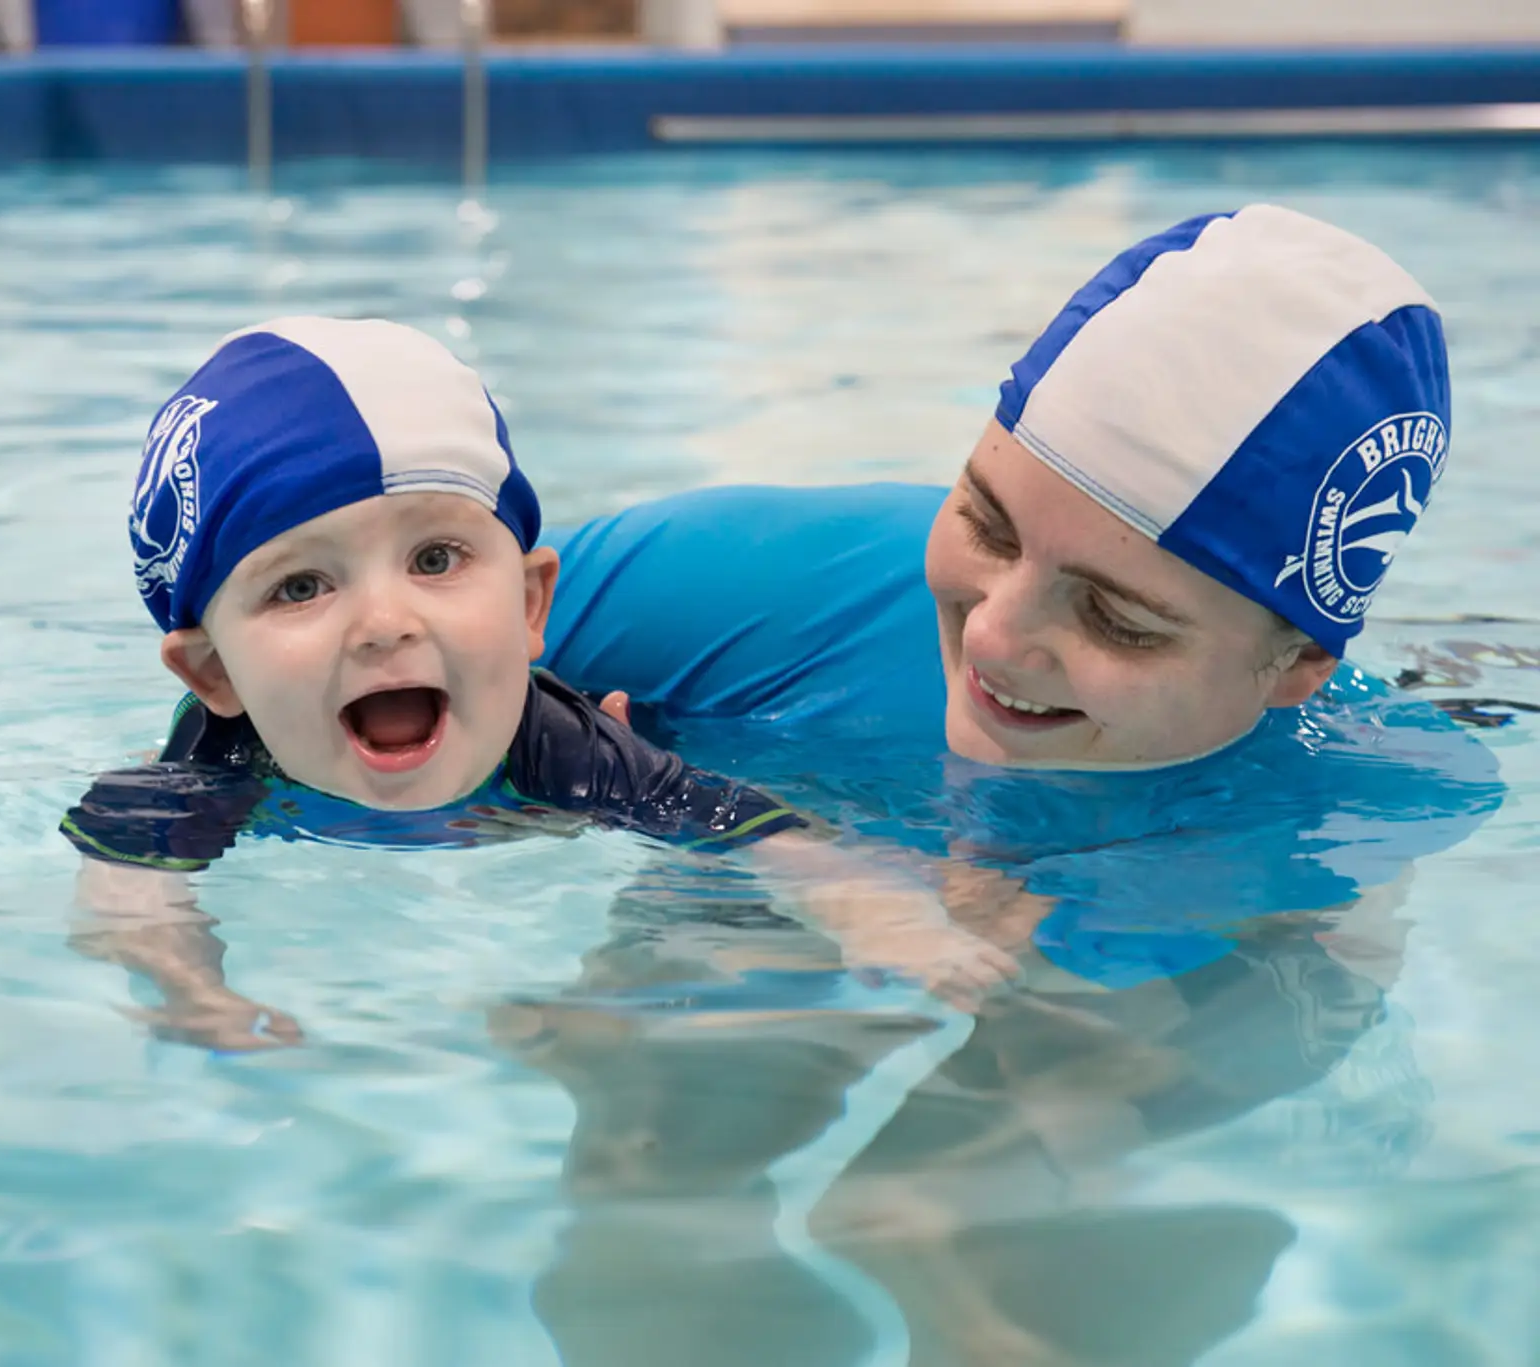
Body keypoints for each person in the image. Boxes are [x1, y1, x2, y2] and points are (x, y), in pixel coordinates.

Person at [512, 205, 1507, 1366]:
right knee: (645, 1181)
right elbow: (329, 678)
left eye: (1114, 618)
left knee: (968, 1225)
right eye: (985, 521)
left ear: (1292, 668)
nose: (992, 632)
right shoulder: (757, 587)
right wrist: (541, 781)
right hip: (775, 876)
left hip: (1159, 970)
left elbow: (1206, 1032)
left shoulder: (1346, 810)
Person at [61, 316, 1013, 1052]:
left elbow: (744, 824)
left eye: (436, 558)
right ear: (215, 671)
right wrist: (198, 996)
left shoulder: (551, 738)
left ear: (528, 606)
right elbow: (127, 898)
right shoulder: (212, 763)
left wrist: (875, 906)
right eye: (302, 586)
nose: (387, 621)